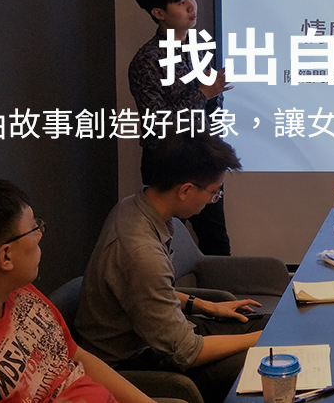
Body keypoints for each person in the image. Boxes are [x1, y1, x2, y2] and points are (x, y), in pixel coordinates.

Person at [0, 178, 158, 403]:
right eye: (34, 229)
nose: (40, 236)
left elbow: (76, 357)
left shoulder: (17, 292)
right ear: (6, 256)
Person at [76, 133, 264, 403]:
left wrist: (206, 306)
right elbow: (187, 352)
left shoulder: (134, 206)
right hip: (135, 362)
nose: (213, 200)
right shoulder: (141, 252)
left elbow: (144, 291)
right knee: (266, 355)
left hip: (156, 336)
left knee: (262, 325)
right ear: (186, 190)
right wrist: (262, 339)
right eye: (214, 193)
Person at [129, 0, 233, 255]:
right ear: (158, 13)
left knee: (217, 242)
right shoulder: (147, 60)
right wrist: (204, 94)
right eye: (180, 1)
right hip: (167, 161)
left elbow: (208, 111)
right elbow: (158, 122)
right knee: (162, 245)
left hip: (204, 156)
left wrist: (213, 96)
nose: (191, 6)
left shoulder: (197, 47)